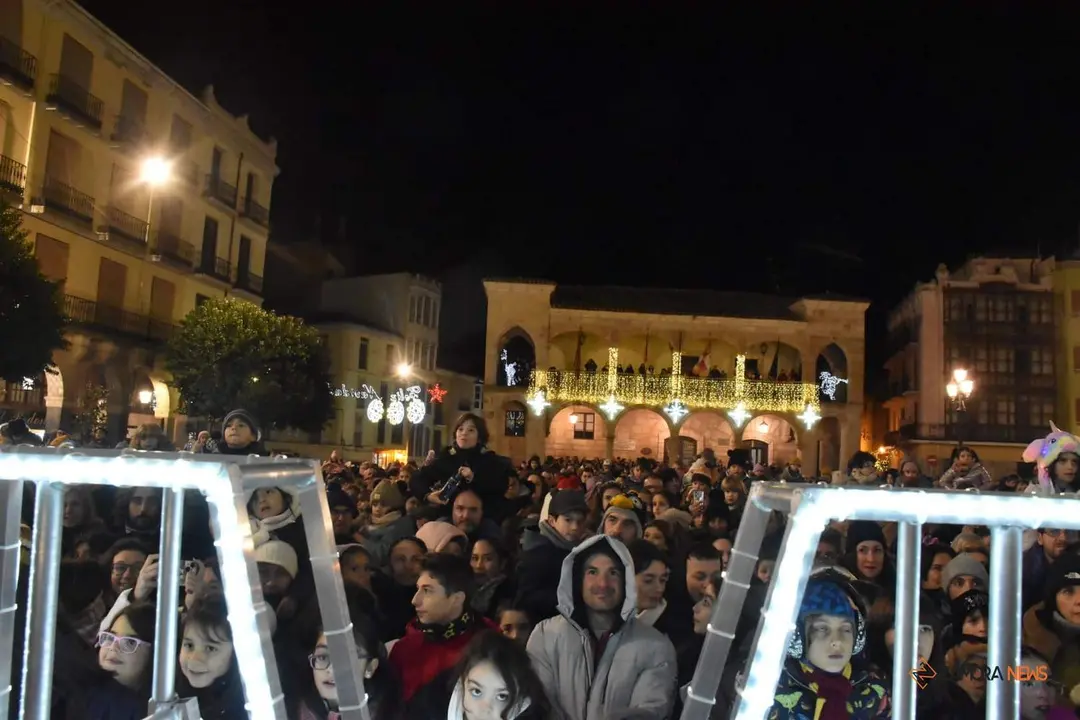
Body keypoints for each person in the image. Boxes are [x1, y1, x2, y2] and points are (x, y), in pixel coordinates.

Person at [526, 534, 677, 720]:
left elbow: (650, 710)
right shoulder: (545, 636)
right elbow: (538, 704)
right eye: (592, 572)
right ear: (577, 580)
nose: (603, 584)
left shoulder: (655, 646)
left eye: (613, 573)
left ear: (626, 582)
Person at [768, 568, 890, 719]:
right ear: (797, 636)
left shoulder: (876, 687)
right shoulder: (765, 691)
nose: (837, 641)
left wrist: (923, 665)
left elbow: (922, 694)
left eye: (845, 629)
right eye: (822, 629)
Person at [389, 552, 497, 717]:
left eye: (427, 591)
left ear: (457, 598)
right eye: (418, 589)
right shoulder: (404, 650)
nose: (415, 600)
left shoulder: (492, 643)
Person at [446, 631, 552, 719]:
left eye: (502, 697)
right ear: (461, 686)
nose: (485, 709)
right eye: (476, 691)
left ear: (522, 701)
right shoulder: (433, 710)